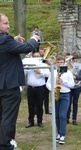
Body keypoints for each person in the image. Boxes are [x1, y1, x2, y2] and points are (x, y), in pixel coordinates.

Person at [0, 13, 40, 150]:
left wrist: (13, 40)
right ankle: (5, 144)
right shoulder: (5, 41)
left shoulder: (5, 40)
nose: (9, 26)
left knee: (2, 116)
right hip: (9, 86)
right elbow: (27, 48)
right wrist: (34, 39)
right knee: (8, 117)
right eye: (5, 23)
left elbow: (7, 47)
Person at [46, 55, 75, 144]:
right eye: (58, 62)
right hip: (55, 94)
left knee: (63, 115)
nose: (59, 64)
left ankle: (62, 134)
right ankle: (58, 133)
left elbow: (72, 85)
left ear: (64, 63)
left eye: (61, 62)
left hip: (65, 95)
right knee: (57, 115)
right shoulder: (53, 72)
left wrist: (63, 82)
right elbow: (48, 83)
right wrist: (53, 88)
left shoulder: (68, 73)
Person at [24, 52, 50, 128]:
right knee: (30, 105)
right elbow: (24, 73)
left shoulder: (44, 65)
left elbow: (48, 74)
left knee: (40, 105)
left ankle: (40, 121)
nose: (36, 58)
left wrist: (40, 72)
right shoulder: (29, 65)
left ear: (40, 57)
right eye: (34, 56)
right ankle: (30, 121)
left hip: (40, 88)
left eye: (37, 56)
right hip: (31, 88)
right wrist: (27, 66)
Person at [67, 54, 81, 125]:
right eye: (74, 60)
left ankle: (74, 118)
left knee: (75, 103)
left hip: (77, 86)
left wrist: (75, 77)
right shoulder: (68, 66)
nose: (75, 61)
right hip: (69, 87)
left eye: (77, 60)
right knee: (68, 103)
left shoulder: (80, 66)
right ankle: (67, 118)